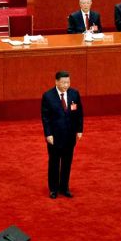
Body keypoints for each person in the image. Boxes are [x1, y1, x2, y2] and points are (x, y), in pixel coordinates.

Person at [41, 70, 84, 199]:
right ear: (57, 82)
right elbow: (45, 118)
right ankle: (53, 189)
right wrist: (48, 134)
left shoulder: (74, 94)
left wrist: (79, 130)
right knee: (54, 162)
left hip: (70, 136)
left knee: (67, 162)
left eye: (68, 82)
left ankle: (64, 187)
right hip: (55, 136)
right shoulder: (48, 96)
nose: (66, 85)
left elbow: (79, 113)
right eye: (64, 82)